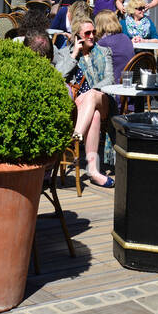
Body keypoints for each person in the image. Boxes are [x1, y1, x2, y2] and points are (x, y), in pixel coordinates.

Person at [52, 18, 115, 188]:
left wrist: (90, 94)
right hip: (79, 108)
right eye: (87, 33)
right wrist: (74, 55)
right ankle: (94, 171)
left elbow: (110, 79)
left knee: (92, 96)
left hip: (103, 100)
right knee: (93, 116)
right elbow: (57, 77)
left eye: (94, 32)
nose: (92, 36)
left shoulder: (104, 51)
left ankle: (76, 134)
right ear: (77, 36)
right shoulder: (65, 53)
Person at [93, 9, 134, 81]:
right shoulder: (125, 37)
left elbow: (94, 65)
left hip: (113, 83)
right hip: (129, 80)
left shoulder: (103, 43)